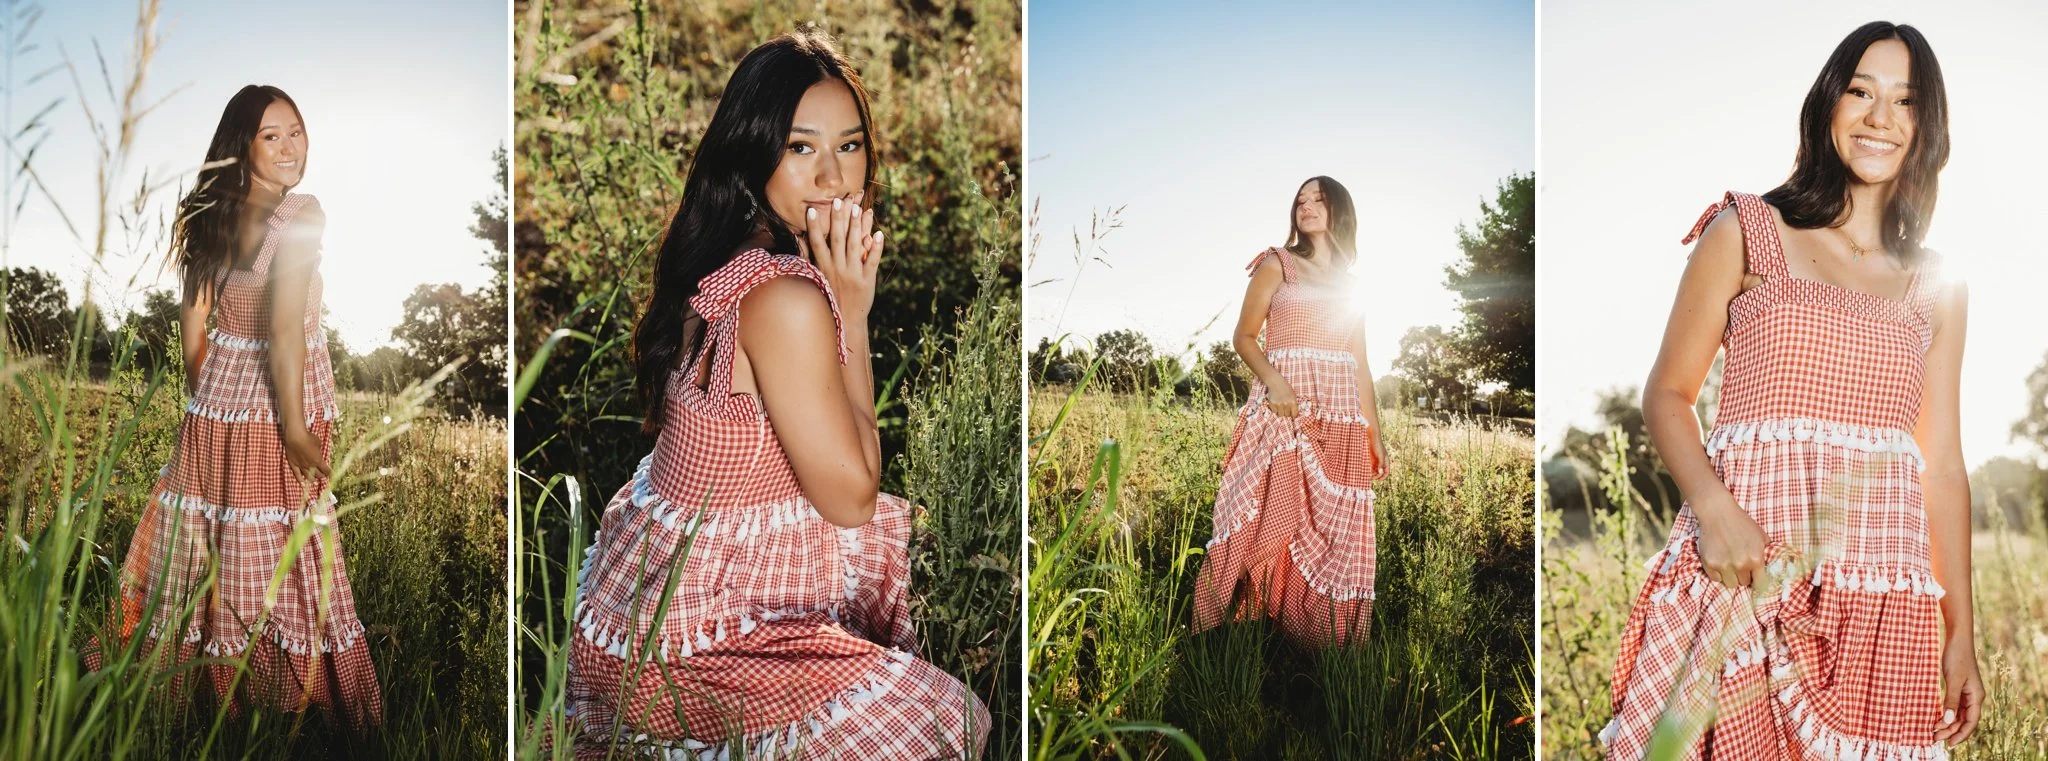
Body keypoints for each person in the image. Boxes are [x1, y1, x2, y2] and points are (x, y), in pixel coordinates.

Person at [564, 29, 989, 759]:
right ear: (753, 152)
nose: (834, 176)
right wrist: (852, 315)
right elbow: (851, 498)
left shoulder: (727, 257)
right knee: (954, 720)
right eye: (801, 148)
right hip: (692, 640)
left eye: (850, 146)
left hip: (642, 615)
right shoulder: (784, 296)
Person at [1602, 21, 1984, 759]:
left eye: (1905, 102)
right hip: (1744, 572)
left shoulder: (1939, 284)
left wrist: (1960, 630)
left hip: (1882, 599)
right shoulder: (1745, 228)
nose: (1880, 117)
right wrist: (1716, 511)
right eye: (1861, 91)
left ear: (1926, 126)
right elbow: (1668, 393)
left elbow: (1941, 464)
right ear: (1828, 104)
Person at [104, 84, 382, 732]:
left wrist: (216, 407)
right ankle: (279, 702)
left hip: (214, 418)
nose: (292, 147)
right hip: (276, 417)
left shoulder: (211, 217)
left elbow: (194, 336)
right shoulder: (303, 212)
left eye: (297, 131)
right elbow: (285, 328)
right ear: (244, 146)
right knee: (283, 560)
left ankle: (199, 699)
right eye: (272, 135)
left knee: (214, 554)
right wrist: (289, 424)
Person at [1190, 175, 1390, 649]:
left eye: (1318, 199)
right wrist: (1275, 381)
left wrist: (1374, 433)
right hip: (1284, 409)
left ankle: (1316, 640)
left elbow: (1360, 364)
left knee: (1331, 531)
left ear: (1339, 210)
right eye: (1301, 200)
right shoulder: (1278, 264)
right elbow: (1243, 336)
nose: (1306, 206)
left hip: (1338, 415)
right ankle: (1218, 631)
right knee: (1259, 513)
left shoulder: (1350, 286)